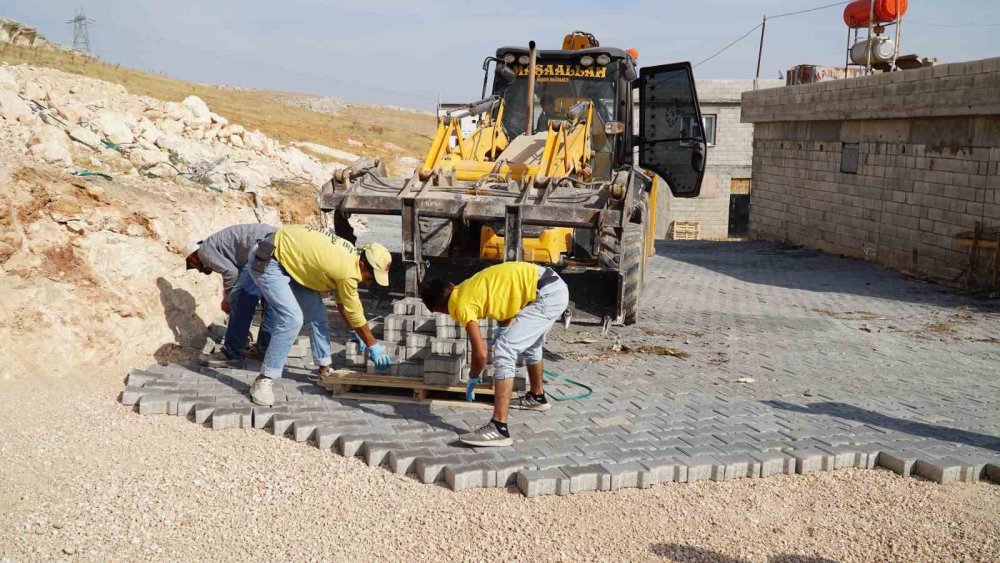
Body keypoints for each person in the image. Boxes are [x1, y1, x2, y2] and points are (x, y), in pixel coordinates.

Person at [420, 262, 569, 447]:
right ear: (450, 285)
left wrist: (473, 378)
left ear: (439, 309)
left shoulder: (459, 305)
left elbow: (480, 353)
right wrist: (502, 328)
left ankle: (499, 428)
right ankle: (537, 397)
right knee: (530, 344)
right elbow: (504, 302)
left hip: (548, 296)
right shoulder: (467, 286)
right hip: (551, 285)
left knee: (505, 350)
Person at [247, 225, 394, 406]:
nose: (369, 284)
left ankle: (324, 369)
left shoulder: (350, 259)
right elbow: (355, 311)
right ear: (363, 264)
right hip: (270, 260)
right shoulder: (347, 272)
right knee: (292, 320)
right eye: (370, 278)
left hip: (293, 264)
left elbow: (343, 304)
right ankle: (263, 379)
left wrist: (356, 332)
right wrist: (373, 345)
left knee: (318, 315)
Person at [183, 223, 277, 364]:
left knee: (239, 300)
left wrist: (227, 299)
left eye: (192, 264)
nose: (199, 269)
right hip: (278, 243)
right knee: (271, 300)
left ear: (193, 256)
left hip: (262, 247)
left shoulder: (204, 251)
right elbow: (239, 271)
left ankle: (231, 354)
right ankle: (264, 349)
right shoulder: (225, 247)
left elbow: (230, 273)